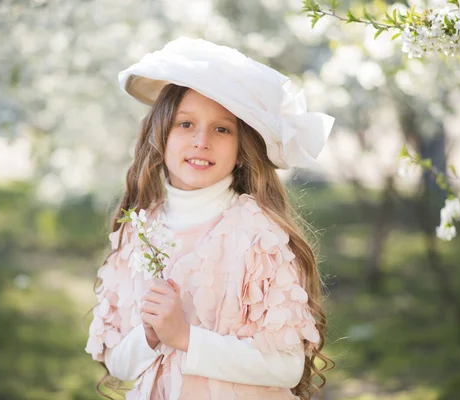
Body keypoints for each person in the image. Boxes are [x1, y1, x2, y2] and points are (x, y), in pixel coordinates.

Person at [85, 37, 335, 400]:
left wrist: (185, 338)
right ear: (162, 135)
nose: (202, 141)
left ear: (240, 150)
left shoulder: (257, 235)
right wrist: (150, 335)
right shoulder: (138, 232)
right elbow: (119, 365)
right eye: (186, 124)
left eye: (221, 129)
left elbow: (286, 366)